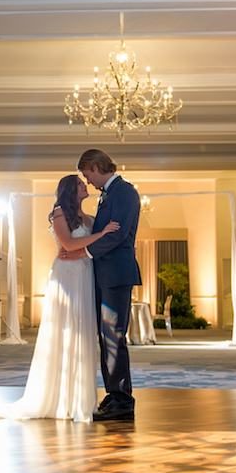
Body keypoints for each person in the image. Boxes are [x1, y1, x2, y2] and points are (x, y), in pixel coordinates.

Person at [0, 174, 119, 422]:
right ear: (69, 189)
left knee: (82, 332)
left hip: (84, 274)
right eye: (80, 184)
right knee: (66, 330)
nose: (85, 185)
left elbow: (80, 248)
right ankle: (58, 398)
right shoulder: (59, 213)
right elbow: (68, 244)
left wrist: (98, 236)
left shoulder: (87, 217)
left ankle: (78, 398)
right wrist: (101, 234)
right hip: (67, 276)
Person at [62, 149, 142, 421]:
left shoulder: (124, 192)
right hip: (105, 275)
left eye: (87, 175)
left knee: (113, 337)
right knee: (105, 337)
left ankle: (122, 400)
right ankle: (114, 394)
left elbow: (118, 235)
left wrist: (83, 253)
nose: (89, 181)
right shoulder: (110, 193)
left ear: (96, 167)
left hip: (116, 275)